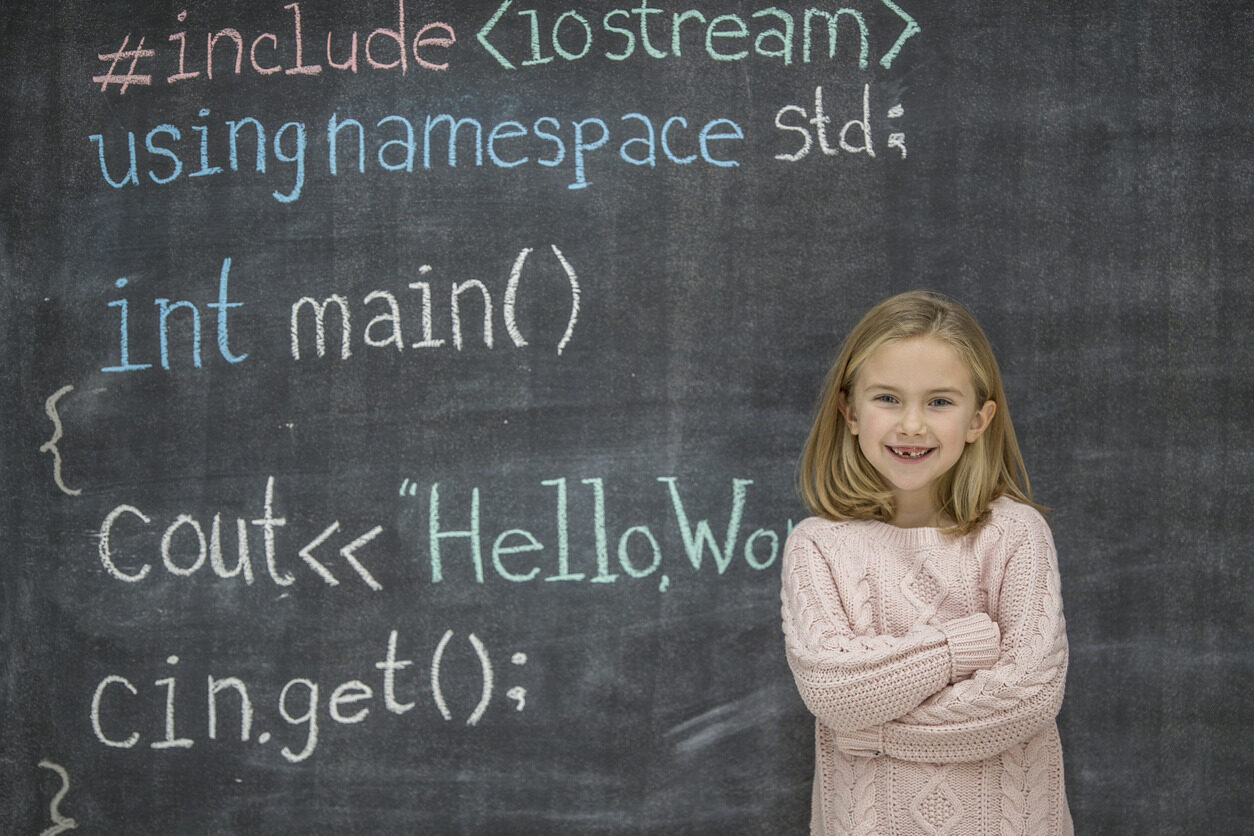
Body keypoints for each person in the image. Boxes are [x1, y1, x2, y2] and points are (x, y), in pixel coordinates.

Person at [780, 290, 1072, 835]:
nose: (912, 425)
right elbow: (832, 690)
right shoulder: (817, 546)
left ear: (978, 421)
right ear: (849, 411)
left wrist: (874, 732)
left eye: (939, 402)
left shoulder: (1015, 535)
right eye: (887, 398)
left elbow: (1026, 697)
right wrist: (960, 647)